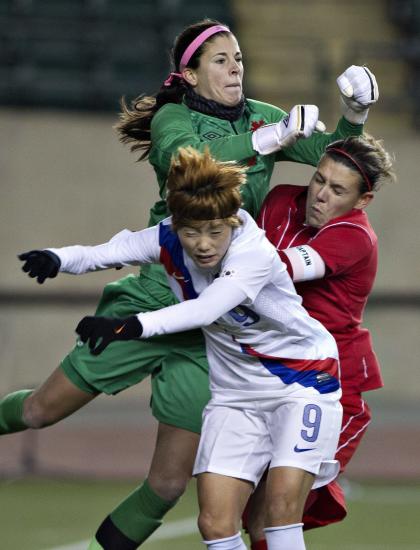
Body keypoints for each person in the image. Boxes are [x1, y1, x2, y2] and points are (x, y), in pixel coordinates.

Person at [0, 17, 378, 549]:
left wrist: (355, 115)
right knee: (41, 410)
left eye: (240, 60)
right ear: (190, 73)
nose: (235, 69)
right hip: (162, 287)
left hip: (219, 326)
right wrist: (270, 138)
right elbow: (188, 165)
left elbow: (335, 160)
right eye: (221, 61)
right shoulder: (175, 118)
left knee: (168, 484)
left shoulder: (261, 123)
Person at [34, 146, 344, 550]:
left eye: (215, 231)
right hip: (235, 394)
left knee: (279, 511)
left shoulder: (253, 252)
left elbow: (206, 309)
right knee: (215, 524)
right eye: (191, 231)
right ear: (176, 224)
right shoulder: (167, 237)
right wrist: (57, 258)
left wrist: (129, 326)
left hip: (303, 382)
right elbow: (109, 252)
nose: (202, 244)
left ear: (232, 222)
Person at [242, 134, 395, 550]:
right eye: (319, 179)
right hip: (274, 375)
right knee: (235, 511)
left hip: (333, 387)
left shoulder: (355, 236)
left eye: (338, 189)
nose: (321, 195)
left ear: (362, 202)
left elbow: (279, 269)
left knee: (277, 512)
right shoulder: (279, 201)